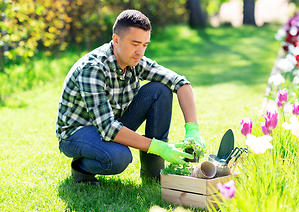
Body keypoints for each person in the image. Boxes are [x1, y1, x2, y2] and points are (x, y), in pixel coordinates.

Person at [55, 9, 205, 186]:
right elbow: (107, 128)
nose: (140, 51)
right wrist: (159, 147)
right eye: (135, 43)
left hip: (111, 122)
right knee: (118, 157)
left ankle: (153, 173)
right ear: (116, 40)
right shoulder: (93, 68)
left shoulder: (135, 61)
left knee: (160, 90)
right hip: (77, 132)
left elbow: (180, 82)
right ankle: (82, 168)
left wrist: (192, 129)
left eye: (144, 45)